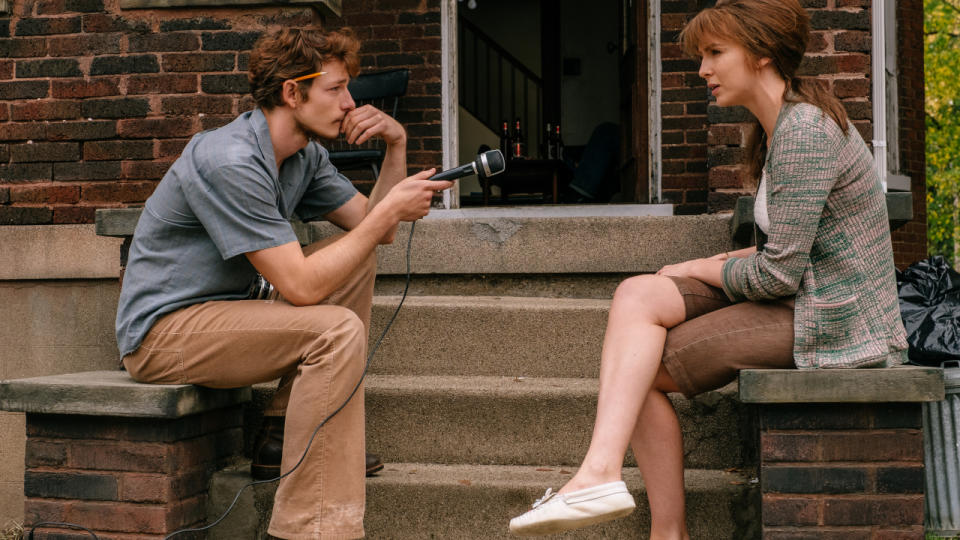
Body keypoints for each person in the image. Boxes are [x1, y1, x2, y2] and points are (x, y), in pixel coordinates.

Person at [508, 0, 909, 537]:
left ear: (763, 54)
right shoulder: (780, 126)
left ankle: (653, 523)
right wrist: (719, 263)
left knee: (639, 373)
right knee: (638, 293)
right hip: (807, 291)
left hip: (835, 318)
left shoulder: (805, 132)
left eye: (716, 53)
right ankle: (598, 474)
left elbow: (779, 276)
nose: (703, 70)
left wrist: (702, 265)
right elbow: (793, 249)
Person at [114, 27, 451, 539]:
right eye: (335, 89)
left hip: (232, 314)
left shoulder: (303, 157)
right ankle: (308, 529)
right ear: (293, 93)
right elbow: (302, 287)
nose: (350, 102)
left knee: (353, 258)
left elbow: (370, 227)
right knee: (335, 330)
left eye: (347, 89)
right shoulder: (229, 159)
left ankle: (278, 434)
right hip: (164, 334)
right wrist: (388, 216)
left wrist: (396, 144)